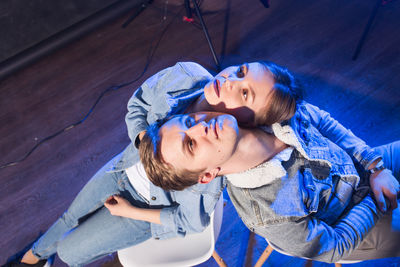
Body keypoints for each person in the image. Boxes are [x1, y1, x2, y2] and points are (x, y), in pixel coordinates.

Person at [10, 61, 299, 266]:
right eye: (240, 71)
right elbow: (138, 105)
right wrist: (145, 144)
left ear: (247, 123)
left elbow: (190, 221)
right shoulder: (184, 76)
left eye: (245, 93)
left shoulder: (218, 164)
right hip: (122, 169)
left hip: (144, 208)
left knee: (71, 254)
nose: (229, 81)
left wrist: (132, 211)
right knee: (69, 217)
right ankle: (34, 257)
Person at [139, 110, 400, 263]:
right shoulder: (270, 210)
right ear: (207, 175)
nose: (200, 127)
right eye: (191, 144)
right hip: (362, 221)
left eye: (188, 122)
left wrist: (375, 167)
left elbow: (319, 119)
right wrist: (373, 195)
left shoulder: (259, 108)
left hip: (364, 166)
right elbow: (335, 246)